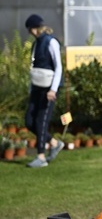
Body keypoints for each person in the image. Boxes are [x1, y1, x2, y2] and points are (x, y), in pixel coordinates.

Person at [24, 14, 65, 168]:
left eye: (31, 29)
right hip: (37, 86)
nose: (31, 33)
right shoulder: (36, 44)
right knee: (29, 121)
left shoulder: (51, 41)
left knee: (41, 121)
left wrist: (53, 90)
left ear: (36, 28)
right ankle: (54, 143)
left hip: (49, 89)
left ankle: (41, 157)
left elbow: (58, 67)